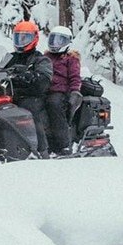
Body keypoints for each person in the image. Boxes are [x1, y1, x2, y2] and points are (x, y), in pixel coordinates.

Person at [4, 20, 54, 155]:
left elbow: (44, 80)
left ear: (34, 38)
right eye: (18, 37)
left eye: (25, 38)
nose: (21, 41)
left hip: (32, 96)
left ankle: (41, 150)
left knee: (29, 109)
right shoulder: (9, 58)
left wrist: (29, 76)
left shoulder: (41, 59)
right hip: (11, 94)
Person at [44, 26, 82, 154]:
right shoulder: (46, 56)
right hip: (45, 89)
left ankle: (63, 143)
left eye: (60, 40)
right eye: (53, 39)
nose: (55, 43)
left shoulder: (71, 58)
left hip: (61, 91)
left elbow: (75, 77)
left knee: (53, 104)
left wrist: (75, 91)